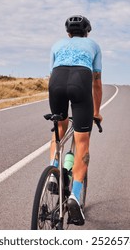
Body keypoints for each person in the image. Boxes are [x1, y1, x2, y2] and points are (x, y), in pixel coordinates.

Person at [48, 15, 103, 225]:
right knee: (82, 143)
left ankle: (53, 171)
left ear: (68, 33)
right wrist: (96, 112)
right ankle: (74, 197)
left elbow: (51, 78)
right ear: (87, 32)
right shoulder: (94, 45)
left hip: (57, 84)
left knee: (58, 131)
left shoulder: (56, 45)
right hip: (81, 83)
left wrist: (56, 110)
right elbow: (96, 83)